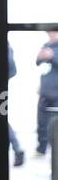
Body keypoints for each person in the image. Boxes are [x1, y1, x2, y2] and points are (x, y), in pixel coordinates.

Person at [38, 27, 58, 156]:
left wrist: (52, 56)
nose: (51, 35)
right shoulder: (45, 46)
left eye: (53, 32)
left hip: (56, 92)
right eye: (49, 33)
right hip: (45, 91)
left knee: (54, 125)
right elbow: (38, 63)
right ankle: (42, 148)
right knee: (42, 122)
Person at [8, 45, 24, 167]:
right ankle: (17, 149)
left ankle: (17, 149)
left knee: (0, 119)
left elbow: (12, 70)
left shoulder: (1, 43)